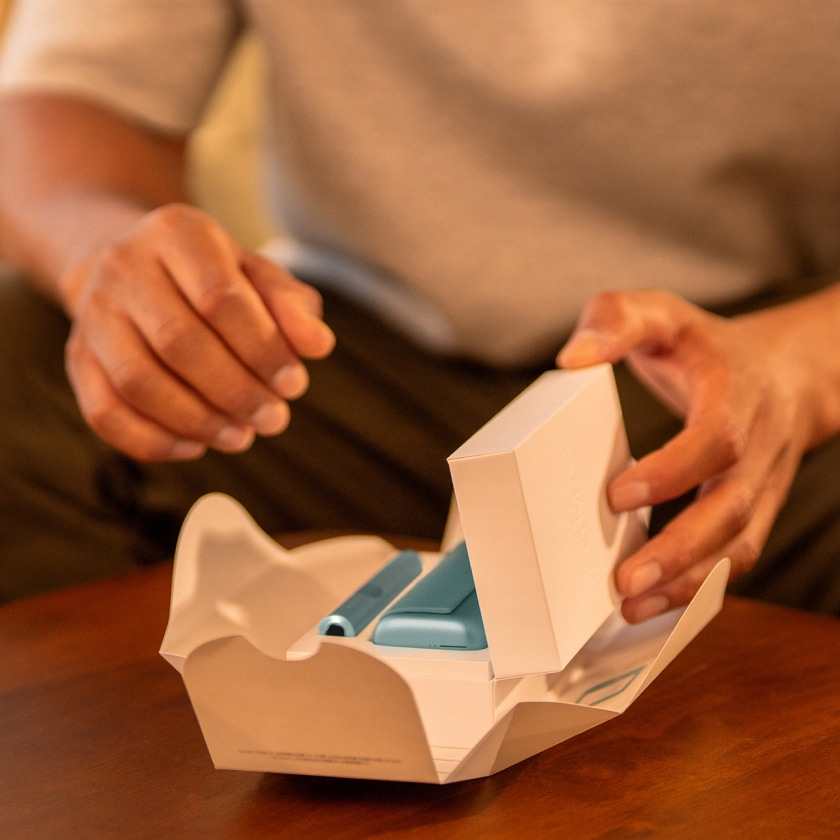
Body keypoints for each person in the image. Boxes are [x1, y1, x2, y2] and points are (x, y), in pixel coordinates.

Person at [1, 2, 840, 620]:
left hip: (749, 365)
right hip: (345, 365)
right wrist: (115, 264)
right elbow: (63, 96)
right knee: (29, 360)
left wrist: (803, 360)